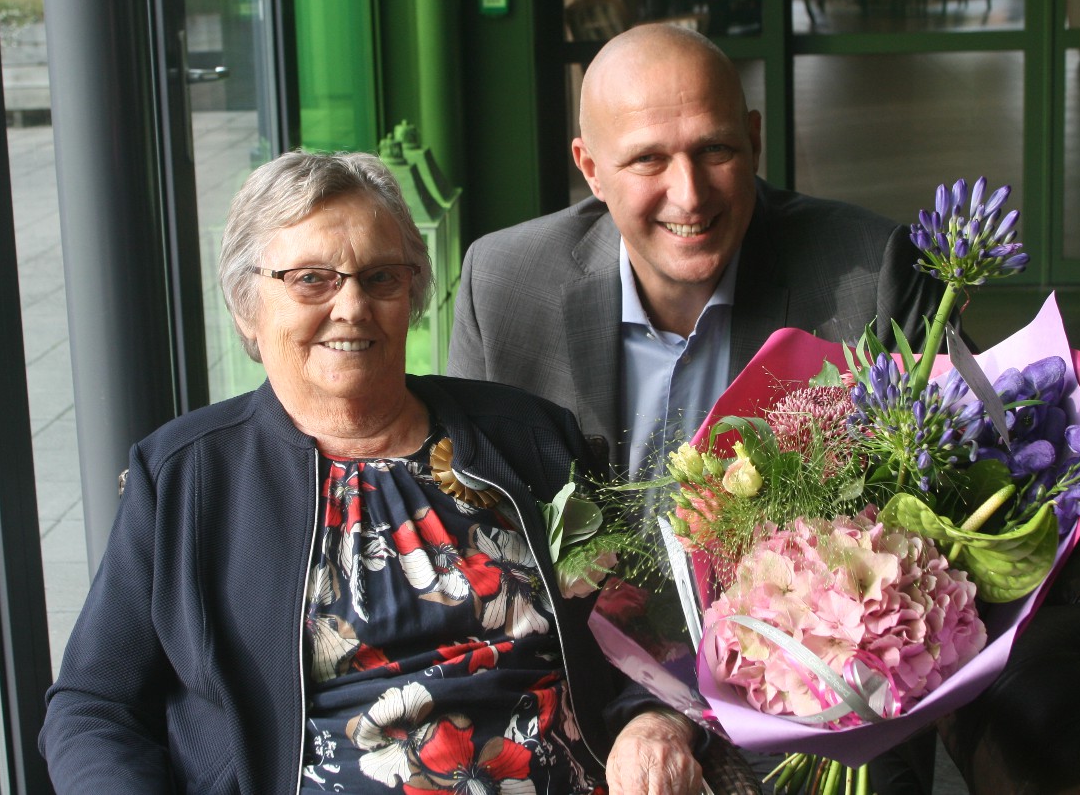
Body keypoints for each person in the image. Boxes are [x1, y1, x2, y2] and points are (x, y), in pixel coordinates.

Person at [39, 151, 704, 794]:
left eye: (381, 277)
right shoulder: (186, 477)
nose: (352, 306)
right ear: (247, 304)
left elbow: (644, 631)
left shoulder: (528, 438)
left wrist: (656, 722)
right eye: (311, 280)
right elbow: (93, 705)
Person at [446, 24, 944, 793]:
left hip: (809, 698)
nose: (690, 193)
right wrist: (633, 715)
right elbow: (480, 534)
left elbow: (941, 514)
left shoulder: (864, 274)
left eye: (715, 150)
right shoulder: (504, 285)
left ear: (753, 141)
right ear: (590, 169)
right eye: (647, 158)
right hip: (584, 691)